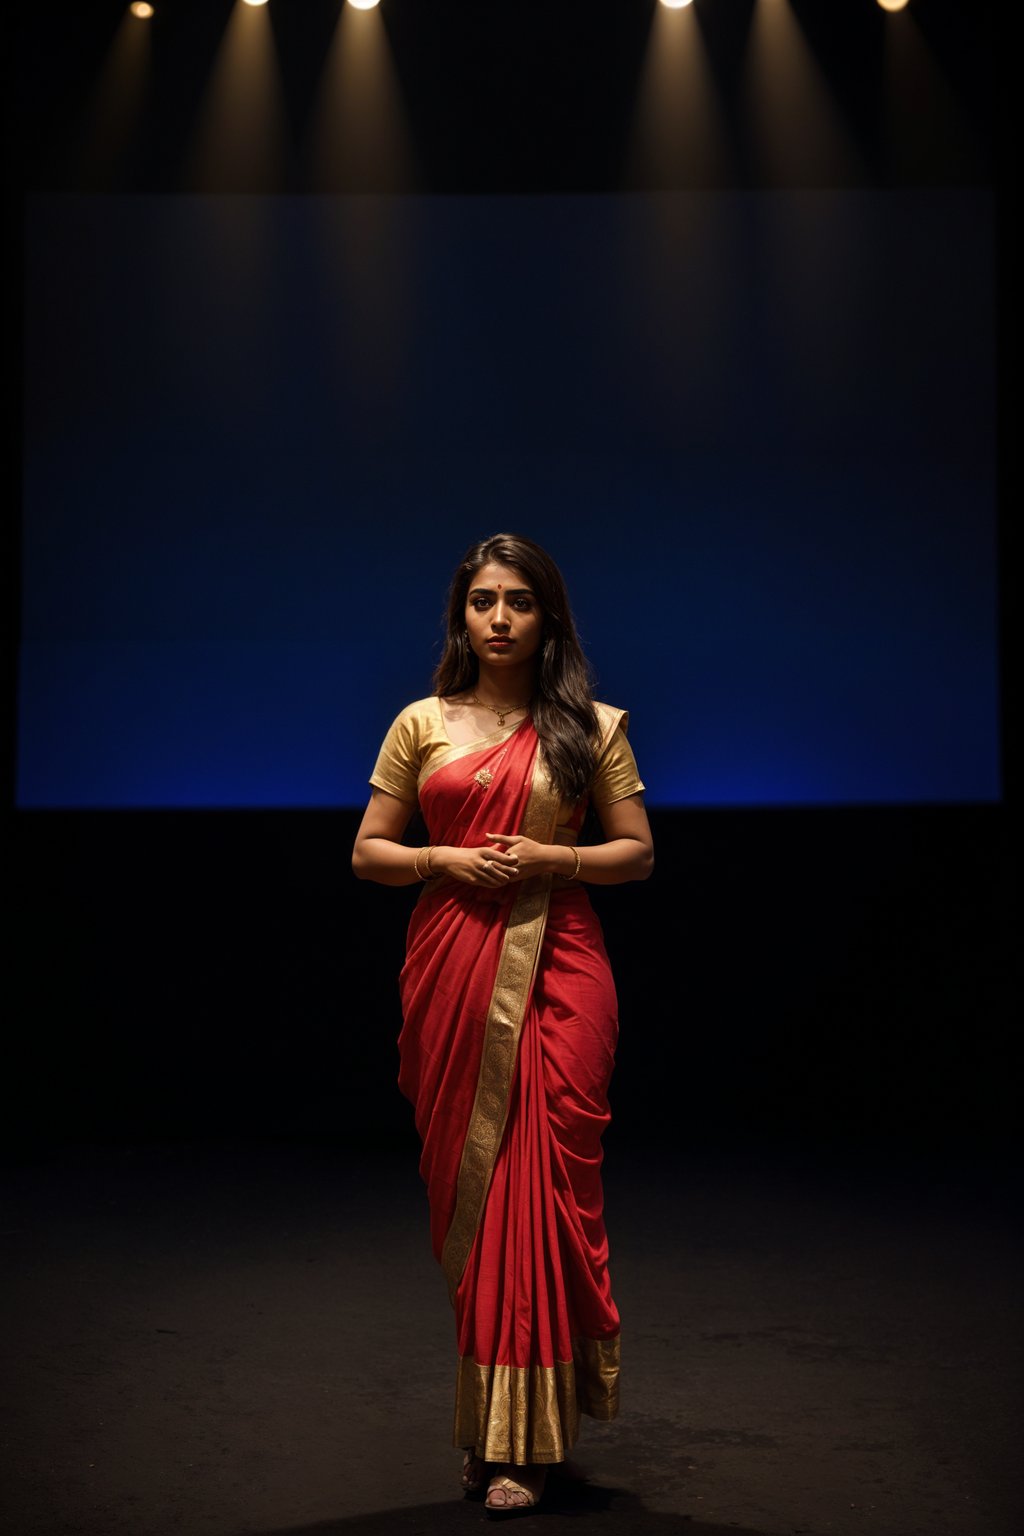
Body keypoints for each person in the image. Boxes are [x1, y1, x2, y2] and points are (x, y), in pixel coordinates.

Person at [352, 533, 653, 1515]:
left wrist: (546, 861)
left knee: (543, 1183)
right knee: (478, 1198)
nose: (499, 617)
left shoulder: (590, 727)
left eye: (519, 600)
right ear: (461, 615)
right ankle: (492, 1433)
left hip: (560, 968)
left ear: (547, 617)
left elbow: (636, 855)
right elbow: (369, 854)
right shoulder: (420, 724)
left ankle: (527, 1446)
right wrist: (446, 863)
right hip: (454, 967)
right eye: (483, 599)